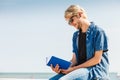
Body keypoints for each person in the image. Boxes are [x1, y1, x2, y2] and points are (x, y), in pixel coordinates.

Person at [49, 5, 109, 80]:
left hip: (94, 70)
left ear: (79, 14)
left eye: (71, 20)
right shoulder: (75, 36)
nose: (71, 24)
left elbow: (97, 59)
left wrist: (74, 69)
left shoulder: (98, 32)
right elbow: (74, 60)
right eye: (69, 23)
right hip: (79, 70)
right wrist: (62, 68)